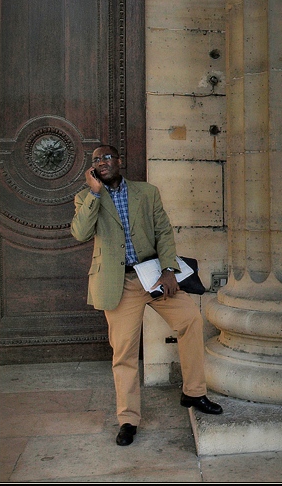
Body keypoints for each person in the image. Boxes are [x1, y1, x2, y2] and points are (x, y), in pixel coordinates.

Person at [71, 145, 223, 446]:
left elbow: (164, 232)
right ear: (92, 170)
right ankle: (128, 419)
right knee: (124, 351)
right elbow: (80, 232)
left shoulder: (146, 192)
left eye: (107, 157)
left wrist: (169, 269)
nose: (102, 162)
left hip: (153, 276)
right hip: (120, 283)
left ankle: (193, 393)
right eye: (96, 160)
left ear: (119, 161)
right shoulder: (87, 197)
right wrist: (95, 193)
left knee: (191, 319)